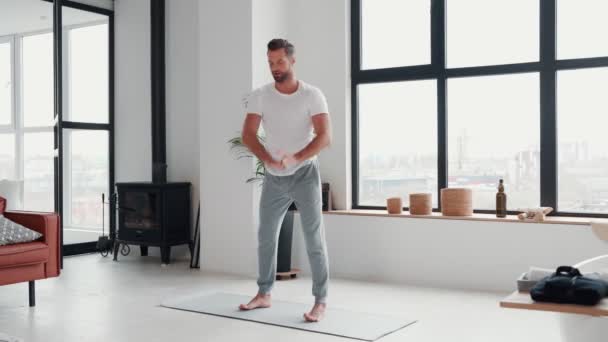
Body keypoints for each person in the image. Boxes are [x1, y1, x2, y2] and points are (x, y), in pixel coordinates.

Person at [238, 38, 332, 322]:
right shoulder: (260, 95)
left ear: (292, 60)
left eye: (279, 61)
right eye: (270, 62)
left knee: (314, 238)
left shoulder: (312, 95)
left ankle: (320, 300)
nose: (274, 67)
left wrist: (297, 158)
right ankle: (264, 293)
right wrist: (267, 159)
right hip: (274, 177)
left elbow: (326, 137)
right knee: (266, 235)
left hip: (305, 174)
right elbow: (248, 135)